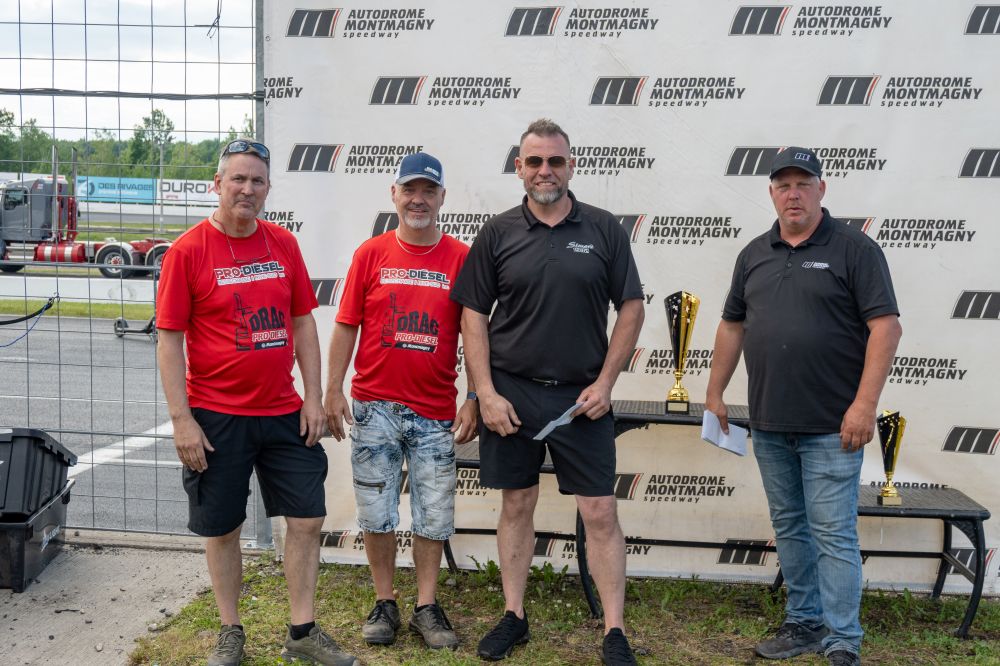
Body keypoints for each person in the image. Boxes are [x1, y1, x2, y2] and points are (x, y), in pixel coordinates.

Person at [156, 139, 359, 666]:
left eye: (258, 181)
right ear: (217, 185)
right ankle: (230, 630)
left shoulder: (282, 244)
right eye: (238, 179)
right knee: (223, 528)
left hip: (283, 413)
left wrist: (312, 396)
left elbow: (303, 323)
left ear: (268, 188)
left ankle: (302, 632)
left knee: (307, 520)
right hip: (216, 417)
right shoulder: (188, 251)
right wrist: (181, 420)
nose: (248, 189)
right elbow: (169, 340)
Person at [450, 119, 645, 665]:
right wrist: (484, 392)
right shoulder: (497, 233)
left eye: (555, 161)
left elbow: (632, 307)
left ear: (571, 166)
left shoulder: (604, 229)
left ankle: (614, 631)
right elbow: (473, 315)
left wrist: (606, 383)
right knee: (517, 502)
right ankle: (514, 615)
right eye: (534, 161)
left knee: (599, 511)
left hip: (582, 399)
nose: (545, 171)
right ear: (519, 168)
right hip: (511, 395)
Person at [705, 147, 902, 666]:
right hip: (769, 422)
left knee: (833, 533)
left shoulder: (855, 249)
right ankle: (805, 622)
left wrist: (864, 405)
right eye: (783, 185)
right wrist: (714, 392)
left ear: (822, 189)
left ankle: (842, 639)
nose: (793, 194)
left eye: (803, 183)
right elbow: (732, 325)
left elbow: (885, 328)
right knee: (790, 527)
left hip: (834, 425)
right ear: (771, 192)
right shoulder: (753, 253)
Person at [324, 152, 478, 650]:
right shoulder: (371, 254)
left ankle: (426, 606)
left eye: (428, 191)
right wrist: (332, 388)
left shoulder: (461, 258)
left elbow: (476, 335)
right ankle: (385, 601)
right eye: (410, 189)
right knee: (376, 511)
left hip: (435, 412)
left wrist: (475, 396)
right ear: (394, 194)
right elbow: (346, 325)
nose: (418, 199)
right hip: (375, 408)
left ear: (442, 198)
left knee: (434, 513)